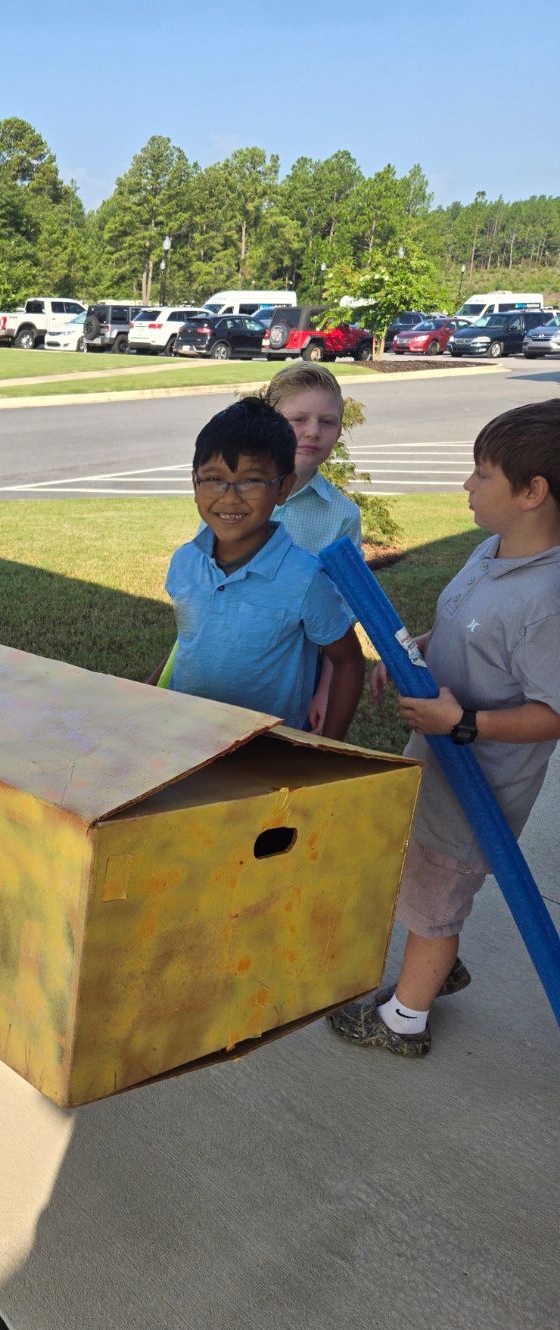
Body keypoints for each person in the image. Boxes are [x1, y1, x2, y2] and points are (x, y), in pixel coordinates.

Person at [329, 399, 560, 1056]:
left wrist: (464, 723)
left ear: (531, 492)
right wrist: (422, 649)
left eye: (480, 473)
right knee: (421, 882)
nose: (466, 485)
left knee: (433, 898)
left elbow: (554, 712)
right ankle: (436, 966)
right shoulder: (492, 552)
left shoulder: (546, 600)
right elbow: (471, 628)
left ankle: (404, 1018)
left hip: (476, 786)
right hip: (439, 759)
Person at [153, 396, 364, 740]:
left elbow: (348, 662)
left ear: (283, 487)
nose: (230, 496)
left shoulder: (306, 579)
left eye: (250, 480)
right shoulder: (184, 562)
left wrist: (327, 749)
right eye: (213, 478)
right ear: (195, 483)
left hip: (264, 752)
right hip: (182, 736)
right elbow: (191, 641)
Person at [264, 361, 363, 732]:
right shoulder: (237, 494)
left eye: (327, 422)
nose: (312, 432)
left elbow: (341, 611)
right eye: (297, 419)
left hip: (298, 668)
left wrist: (326, 690)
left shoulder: (341, 514)